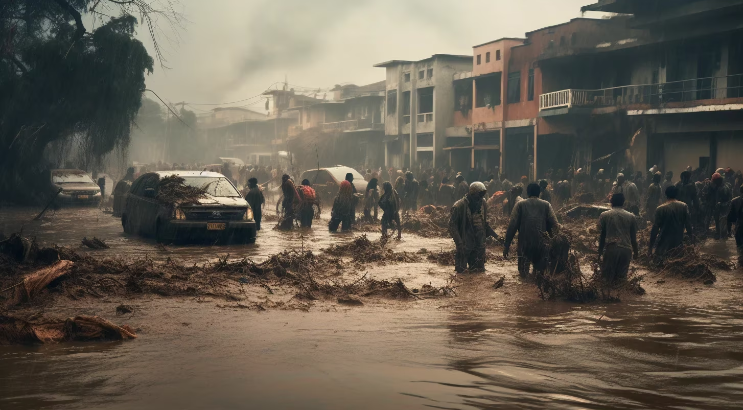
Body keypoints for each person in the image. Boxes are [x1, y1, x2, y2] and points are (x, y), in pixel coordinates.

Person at [504, 183, 558, 279]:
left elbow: (512, 225)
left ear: (527, 192)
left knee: (523, 275)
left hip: (525, 245)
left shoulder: (520, 205)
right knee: (539, 275)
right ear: (539, 192)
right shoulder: (546, 205)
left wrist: (507, 245)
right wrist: (554, 244)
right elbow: (554, 225)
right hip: (541, 245)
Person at [449, 182, 498, 273]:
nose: (480, 199)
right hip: (464, 246)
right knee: (461, 273)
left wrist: (497, 236)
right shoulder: (459, 206)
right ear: (471, 194)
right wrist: (459, 244)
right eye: (478, 196)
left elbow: (484, 225)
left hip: (478, 246)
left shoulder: (483, 204)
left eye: (482, 196)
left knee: (479, 272)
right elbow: (452, 226)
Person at [598, 193, 639, 284]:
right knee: (621, 281)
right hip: (626, 250)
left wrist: (599, 251)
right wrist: (636, 252)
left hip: (611, 248)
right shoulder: (631, 216)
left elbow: (602, 235)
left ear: (611, 202)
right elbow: (633, 238)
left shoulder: (604, 215)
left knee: (606, 280)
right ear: (623, 203)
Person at [649, 186, 693, 259]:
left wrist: (650, 248)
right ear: (677, 194)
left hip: (663, 244)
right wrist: (691, 242)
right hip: (678, 242)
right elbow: (688, 224)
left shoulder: (660, 209)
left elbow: (655, 229)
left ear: (665, 195)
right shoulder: (684, 206)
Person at [704, 173, 733, 239]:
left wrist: (721, 203)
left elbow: (728, 198)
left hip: (723, 207)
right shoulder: (716, 186)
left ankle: (723, 235)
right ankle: (719, 233)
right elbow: (708, 195)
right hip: (717, 206)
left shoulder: (724, 187)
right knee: (717, 220)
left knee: (722, 221)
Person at [727, 184, 743, 255]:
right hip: (739, 225)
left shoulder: (735, 201)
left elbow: (731, 217)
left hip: (739, 226)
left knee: (739, 248)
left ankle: (740, 263)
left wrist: (729, 229)